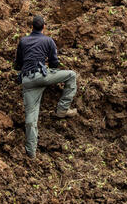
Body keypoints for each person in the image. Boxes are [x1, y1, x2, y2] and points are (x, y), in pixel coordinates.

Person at [13, 15, 78, 159]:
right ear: (44, 27)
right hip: (42, 76)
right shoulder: (48, 40)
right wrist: (51, 71)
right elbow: (54, 62)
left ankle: (31, 153)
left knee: (31, 120)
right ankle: (62, 110)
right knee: (71, 75)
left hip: (28, 81)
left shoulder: (23, 41)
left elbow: (17, 64)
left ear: (31, 27)